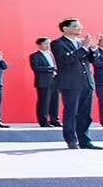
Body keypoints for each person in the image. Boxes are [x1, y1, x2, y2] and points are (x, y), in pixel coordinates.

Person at [51, 18, 100, 150]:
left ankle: (84, 141)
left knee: (85, 114)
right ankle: (71, 140)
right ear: (65, 29)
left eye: (80, 26)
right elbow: (65, 59)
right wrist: (84, 47)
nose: (80, 28)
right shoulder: (58, 43)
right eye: (76, 26)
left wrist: (93, 48)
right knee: (72, 113)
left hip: (87, 83)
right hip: (71, 84)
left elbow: (93, 60)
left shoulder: (80, 43)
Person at [29, 38, 60, 128]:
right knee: (44, 102)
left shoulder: (52, 54)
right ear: (39, 45)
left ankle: (55, 120)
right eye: (45, 43)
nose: (48, 45)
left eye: (49, 43)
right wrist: (51, 68)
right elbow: (36, 68)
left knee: (55, 101)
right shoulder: (35, 56)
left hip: (55, 80)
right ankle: (44, 121)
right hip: (43, 81)